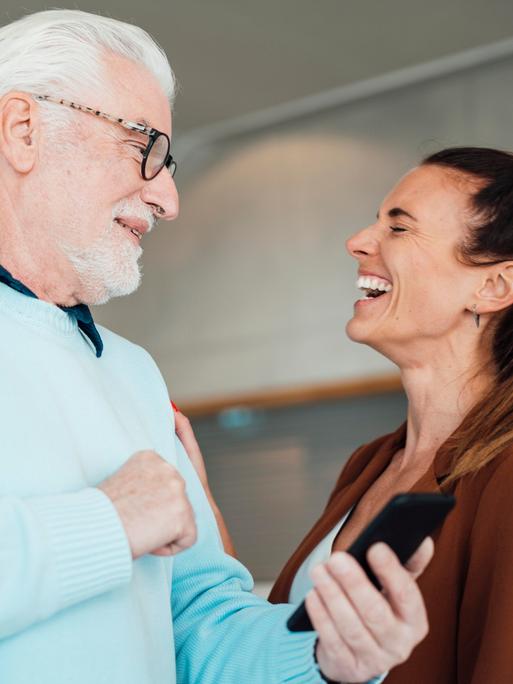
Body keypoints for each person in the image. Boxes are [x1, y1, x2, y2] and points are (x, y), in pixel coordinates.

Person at [0, 9, 433, 684]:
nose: (169, 199)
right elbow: (116, 529)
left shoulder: (134, 373)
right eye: (141, 145)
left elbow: (200, 623)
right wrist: (108, 525)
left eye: (167, 162)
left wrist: (325, 657)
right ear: (23, 130)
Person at [181, 146, 513, 682]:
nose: (357, 241)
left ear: (492, 286)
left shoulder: (505, 470)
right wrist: (204, 527)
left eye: (399, 228)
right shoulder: (372, 463)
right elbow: (301, 651)